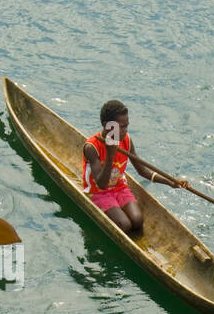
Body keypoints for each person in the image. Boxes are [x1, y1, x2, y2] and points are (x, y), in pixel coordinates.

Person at [82, 99, 191, 234]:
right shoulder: (92, 147)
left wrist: (171, 182)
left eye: (126, 126)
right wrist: (110, 155)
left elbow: (142, 170)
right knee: (125, 225)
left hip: (119, 188)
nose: (125, 130)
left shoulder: (126, 140)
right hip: (99, 192)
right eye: (121, 127)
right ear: (107, 125)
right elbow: (101, 185)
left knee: (138, 221)